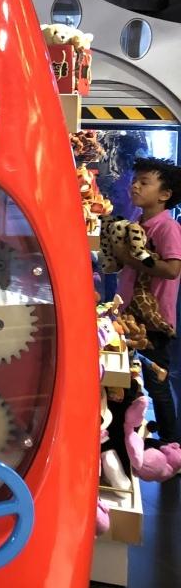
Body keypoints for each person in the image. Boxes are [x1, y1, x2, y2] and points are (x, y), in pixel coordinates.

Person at [116, 156, 181, 452]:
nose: (135, 186)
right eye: (135, 181)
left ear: (165, 194)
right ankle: (131, 428)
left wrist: (129, 258)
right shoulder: (138, 224)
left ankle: (172, 444)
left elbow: (172, 269)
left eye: (144, 182)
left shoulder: (167, 227)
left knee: (157, 380)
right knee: (132, 374)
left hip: (154, 320)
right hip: (131, 313)